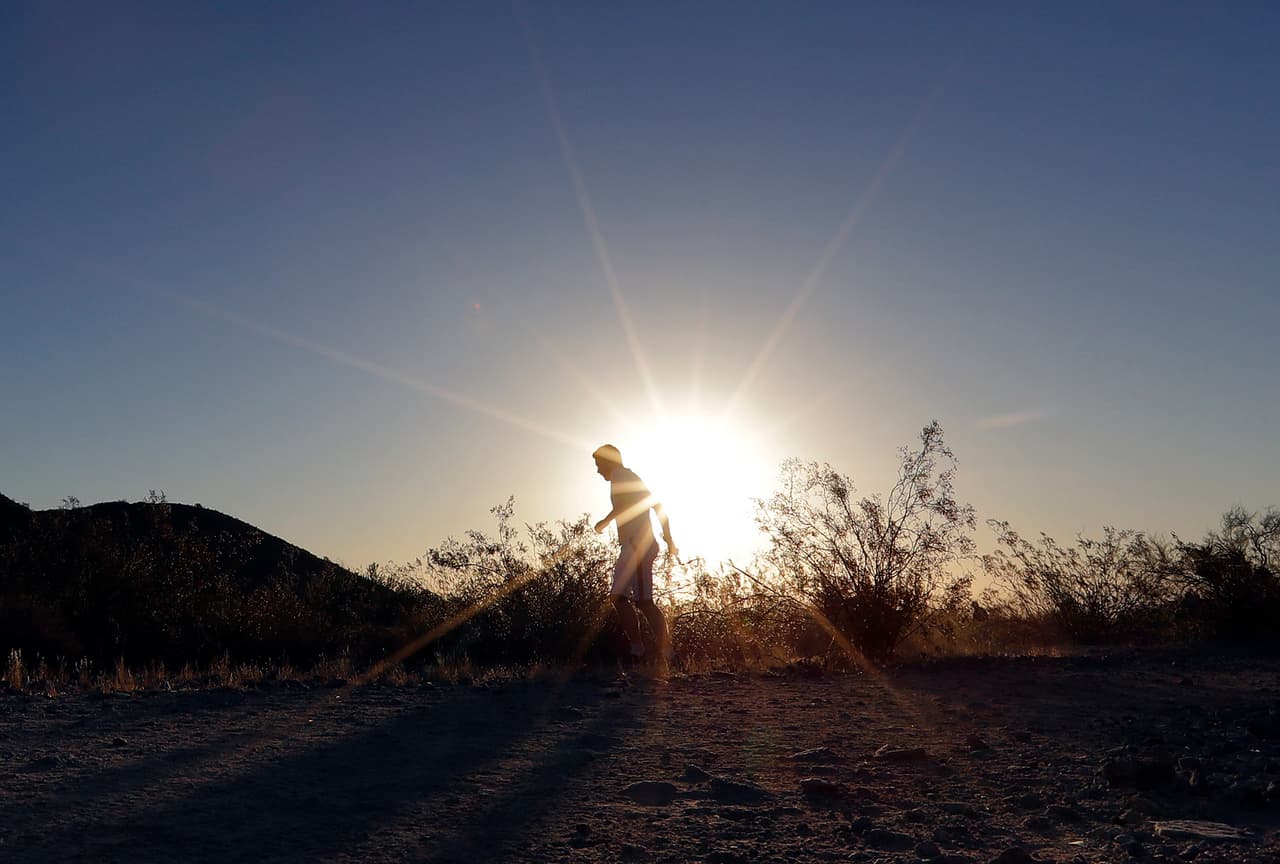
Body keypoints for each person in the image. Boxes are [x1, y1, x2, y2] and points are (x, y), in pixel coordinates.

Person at [592, 444, 678, 663]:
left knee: (643, 601)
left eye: (599, 464)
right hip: (632, 546)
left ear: (608, 461)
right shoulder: (628, 477)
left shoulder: (622, 476)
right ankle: (638, 651)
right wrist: (668, 539)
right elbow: (656, 505)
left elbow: (631, 505)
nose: (598, 470)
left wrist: (605, 520)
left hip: (639, 545)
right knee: (619, 597)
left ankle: (665, 653)